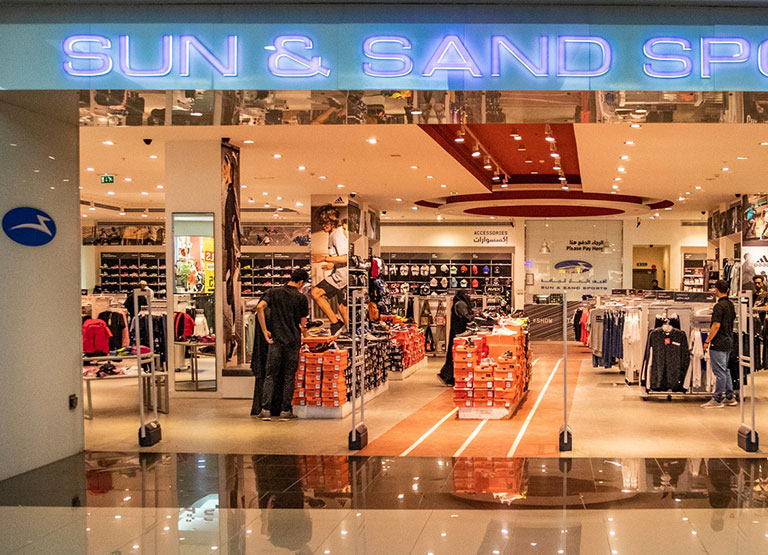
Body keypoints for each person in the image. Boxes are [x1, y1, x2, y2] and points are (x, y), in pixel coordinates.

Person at [256, 269, 309, 421]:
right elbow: (303, 325)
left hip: (276, 340)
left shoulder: (273, 292)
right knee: (289, 376)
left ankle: (265, 409)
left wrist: (265, 330)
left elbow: (259, 307)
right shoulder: (301, 298)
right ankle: (285, 411)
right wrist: (305, 331)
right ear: (300, 282)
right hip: (293, 341)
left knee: (270, 376)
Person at [311, 205, 348, 335]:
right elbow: (340, 258)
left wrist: (324, 258)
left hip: (341, 277)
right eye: (321, 223)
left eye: (325, 222)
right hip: (340, 274)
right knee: (343, 308)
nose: (323, 226)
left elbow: (345, 258)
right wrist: (331, 265)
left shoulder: (337, 234)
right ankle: (350, 334)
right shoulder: (333, 234)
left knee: (315, 293)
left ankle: (336, 323)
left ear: (332, 220)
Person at [702, 279, 737, 408]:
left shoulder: (719, 306)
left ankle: (717, 399)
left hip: (719, 342)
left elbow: (716, 325)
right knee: (725, 370)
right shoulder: (730, 305)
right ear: (727, 290)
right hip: (728, 341)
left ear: (716, 290)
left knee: (720, 372)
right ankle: (730, 397)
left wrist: (707, 341)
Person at [437, 291, 474, 386]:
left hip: (456, 331)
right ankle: (446, 376)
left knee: (453, 355)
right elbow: (466, 317)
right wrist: (474, 316)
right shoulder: (461, 304)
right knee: (455, 356)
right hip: (459, 333)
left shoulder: (458, 303)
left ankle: (448, 376)